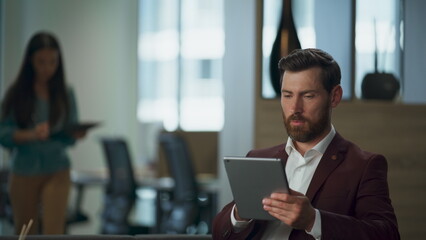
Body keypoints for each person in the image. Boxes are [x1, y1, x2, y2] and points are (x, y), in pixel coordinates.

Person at [212, 48, 400, 240]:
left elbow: (386, 234)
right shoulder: (258, 158)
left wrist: (313, 220)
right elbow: (220, 233)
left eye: (308, 96)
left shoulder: (364, 165)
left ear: (334, 96)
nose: (295, 108)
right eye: (287, 95)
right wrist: (240, 215)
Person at [0, 31, 86, 234]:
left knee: (54, 230)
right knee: (25, 230)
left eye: (52, 62)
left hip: (57, 169)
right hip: (24, 170)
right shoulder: (17, 93)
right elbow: (3, 134)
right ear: (30, 61)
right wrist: (31, 134)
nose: (47, 68)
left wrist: (74, 134)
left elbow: (68, 135)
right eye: (41, 62)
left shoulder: (66, 93)